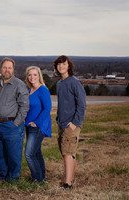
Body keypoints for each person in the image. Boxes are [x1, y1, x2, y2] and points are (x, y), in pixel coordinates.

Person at [0, 57, 29, 181]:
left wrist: (16, 123)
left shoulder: (19, 84)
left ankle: (13, 178)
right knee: (0, 153)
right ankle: (3, 175)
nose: (7, 70)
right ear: (1, 69)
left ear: (13, 69)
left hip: (11, 125)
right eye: (4, 67)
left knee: (13, 154)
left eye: (9, 67)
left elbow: (24, 106)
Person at [54, 55, 86, 189]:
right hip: (62, 123)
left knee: (67, 152)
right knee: (67, 152)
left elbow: (82, 105)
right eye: (59, 64)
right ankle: (70, 178)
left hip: (71, 124)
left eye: (64, 64)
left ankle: (67, 183)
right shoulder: (59, 83)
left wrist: (75, 123)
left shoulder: (74, 82)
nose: (61, 66)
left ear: (69, 66)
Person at [24, 66, 52, 182]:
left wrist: (36, 122)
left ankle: (37, 179)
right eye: (30, 75)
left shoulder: (43, 90)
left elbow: (47, 109)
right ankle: (42, 176)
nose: (32, 77)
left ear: (39, 75)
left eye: (35, 75)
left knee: (29, 154)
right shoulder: (30, 90)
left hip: (37, 127)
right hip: (28, 126)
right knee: (36, 153)